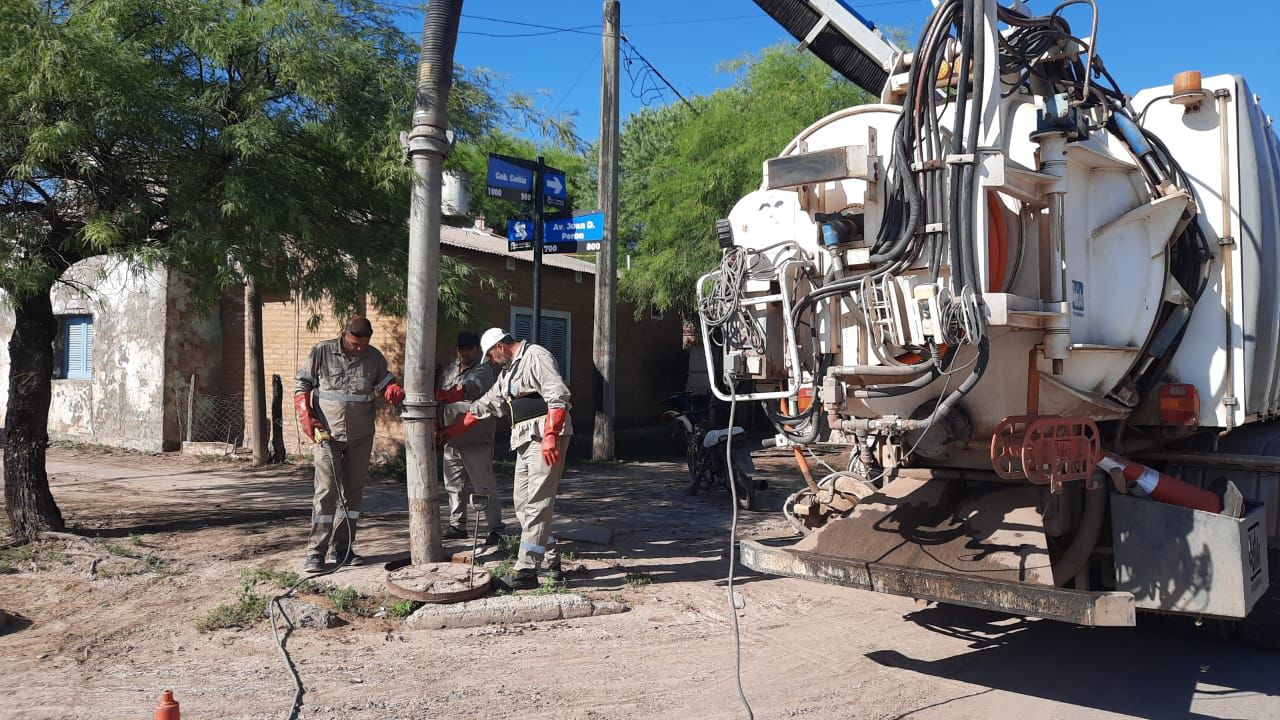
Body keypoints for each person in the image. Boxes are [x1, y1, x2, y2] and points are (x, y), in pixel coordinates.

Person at [437, 327, 571, 590]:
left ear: (500, 346)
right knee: (523, 504)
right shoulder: (507, 373)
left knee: (537, 503)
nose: (490, 361)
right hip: (525, 439)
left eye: (490, 355)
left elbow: (558, 396)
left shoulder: (535, 355)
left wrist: (551, 435)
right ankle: (551, 560)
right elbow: (485, 405)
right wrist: (452, 431)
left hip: (543, 436)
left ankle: (526, 570)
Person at [294, 316, 404, 573]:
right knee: (326, 492)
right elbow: (301, 385)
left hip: (360, 437)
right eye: (355, 343)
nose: (359, 348)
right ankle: (316, 552)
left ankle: (343, 547)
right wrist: (306, 416)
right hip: (327, 436)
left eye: (364, 344)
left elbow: (385, 382)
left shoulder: (374, 357)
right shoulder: (322, 352)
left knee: (352, 494)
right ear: (344, 334)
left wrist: (393, 389)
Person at [435, 330, 503, 544]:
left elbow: (473, 387)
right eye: (460, 348)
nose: (463, 352)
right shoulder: (451, 369)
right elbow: (441, 398)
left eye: (468, 348)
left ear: (476, 349)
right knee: (454, 485)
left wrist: (457, 392)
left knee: (483, 485)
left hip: (475, 437)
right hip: (450, 436)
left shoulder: (483, 369)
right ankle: (457, 525)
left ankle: (495, 529)